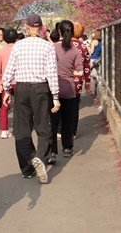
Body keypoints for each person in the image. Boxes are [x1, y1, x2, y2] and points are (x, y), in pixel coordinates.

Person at [2, 14, 60, 184]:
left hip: (22, 88)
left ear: (26, 28)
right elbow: (52, 74)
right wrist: (55, 96)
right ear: (41, 27)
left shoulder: (18, 46)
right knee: (43, 127)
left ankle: (28, 168)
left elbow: (9, 70)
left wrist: (6, 90)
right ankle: (41, 158)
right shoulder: (48, 47)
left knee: (21, 129)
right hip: (40, 89)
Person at [48, 20, 84, 164]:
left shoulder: (51, 48)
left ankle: (52, 151)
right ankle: (67, 148)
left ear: (59, 31)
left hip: (53, 87)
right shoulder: (75, 50)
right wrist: (71, 72)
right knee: (68, 120)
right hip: (69, 88)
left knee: (53, 121)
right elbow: (80, 72)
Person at [0, 28, 18, 139]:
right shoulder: (19, 49)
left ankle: (4, 130)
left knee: (4, 106)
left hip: (6, 81)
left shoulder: (1, 51)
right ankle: (19, 128)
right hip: (19, 81)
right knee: (20, 105)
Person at [71, 22, 92, 137]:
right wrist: (87, 81)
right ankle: (73, 131)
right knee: (74, 106)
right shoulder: (83, 47)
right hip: (78, 80)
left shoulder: (64, 45)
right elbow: (87, 65)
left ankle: (62, 128)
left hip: (64, 80)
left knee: (63, 105)